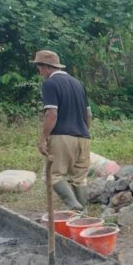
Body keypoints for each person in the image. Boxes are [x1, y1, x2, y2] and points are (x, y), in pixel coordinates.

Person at [33, 50, 91, 211]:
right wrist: (84, 132)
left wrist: (43, 138)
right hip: (84, 137)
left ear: (46, 67)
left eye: (39, 67)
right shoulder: (78, 84)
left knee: (53, 175)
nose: (39, 71)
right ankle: (83, 215)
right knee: (79, 179)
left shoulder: (50, 84)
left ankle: (74, 206)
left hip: (61, 136)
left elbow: (51, 114)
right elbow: (88, 114)